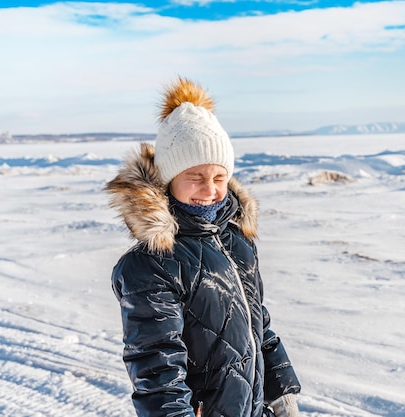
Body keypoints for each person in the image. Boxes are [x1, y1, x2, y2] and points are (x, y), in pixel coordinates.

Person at [105, 77, 301, 417]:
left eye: (219, 177)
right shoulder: (150, 264)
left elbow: (259, 325)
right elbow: (156, 364)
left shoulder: (236, 242)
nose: (209, 189)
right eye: (195, 177)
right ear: (169, 178)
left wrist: (282, 392)